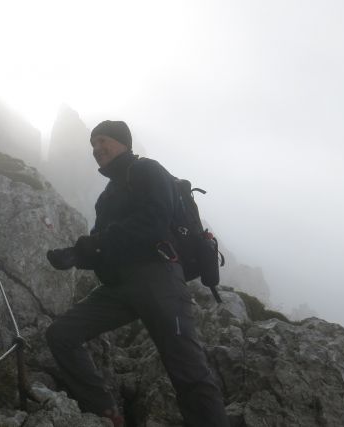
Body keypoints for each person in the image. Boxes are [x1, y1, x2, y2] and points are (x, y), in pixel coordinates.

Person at [45, 120, 229, 427]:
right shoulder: (107, 197)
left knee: (188, 372)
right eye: (93, 144)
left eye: (103, 140)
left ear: (123, 143)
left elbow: (154, 221)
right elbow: (105, 247)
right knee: (60, 334)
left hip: (159, 278)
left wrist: (98, 243)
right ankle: (106, 411)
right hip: (120, 287)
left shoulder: (148, 171)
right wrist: (78, 256)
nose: (97, 149)